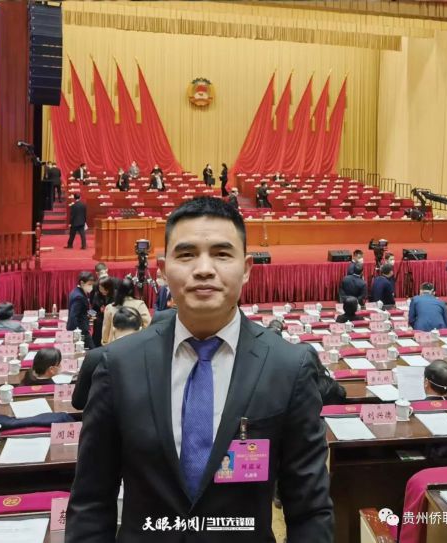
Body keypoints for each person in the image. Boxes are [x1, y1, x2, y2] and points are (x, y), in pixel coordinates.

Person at [66, 196, 333, 542]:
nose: (204, 269)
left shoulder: (289, 367)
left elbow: (310, 510)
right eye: (187, 254)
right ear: (163, 270)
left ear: (247, 268)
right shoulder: (117, 365)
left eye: (221, 254)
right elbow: (91, 502)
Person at [71, 306, 142, 411]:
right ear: (140, 329)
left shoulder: (94, 356)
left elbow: (78, 402)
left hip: (100, 419)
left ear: (113, 329)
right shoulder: (150, 357)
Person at [101, 277, 151, 344]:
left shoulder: (110, 307)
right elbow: (148, 325)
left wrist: (105, 342)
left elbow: (106, 329)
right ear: (132, 290)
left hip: (114, 344)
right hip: (135, 343)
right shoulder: (140, 305)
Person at [67, 271, 95, 350]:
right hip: (80, 329)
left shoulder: (78, 291)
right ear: (82, 283)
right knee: (92, 349)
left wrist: (94, 313)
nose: (91, 286)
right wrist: (76, 334)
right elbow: (73, 316)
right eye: (89, 284)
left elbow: (84, 309)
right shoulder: (79, 296)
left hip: (82, 327)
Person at [91, 276, 120, 348]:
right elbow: (93, 309)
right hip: (99, 322)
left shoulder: (116, 295)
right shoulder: (97, 294)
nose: (102, 291)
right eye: (100, 289)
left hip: (112, 321)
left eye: (104, 289)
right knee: (97, 342)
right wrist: (92, 315)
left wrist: (108, 310)